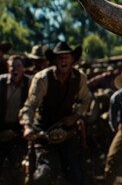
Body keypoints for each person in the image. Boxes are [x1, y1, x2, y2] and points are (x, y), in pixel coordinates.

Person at [19, 41, 92, 185]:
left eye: (66, 57)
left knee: (76, 176)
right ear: (54, 61)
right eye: (59, 57)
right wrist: (27, 125)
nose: (63, 60)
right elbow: (30, 106)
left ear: (72, 60)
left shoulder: (80, 78)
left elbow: (86, 100)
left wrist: (74, 116)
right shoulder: (42, 78)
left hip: (67, 134)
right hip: (44, 134)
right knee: (43, 174)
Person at [0, 55, 32, 184]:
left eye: (18, 66)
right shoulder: (1, 82)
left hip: (18, 132)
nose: (15, 69)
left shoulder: (29, 84)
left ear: (23, 68)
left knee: (17, 169)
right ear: (8, 68)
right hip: (0, 129)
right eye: (12, 66)